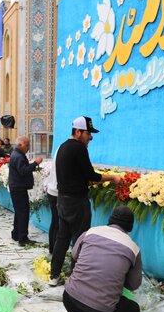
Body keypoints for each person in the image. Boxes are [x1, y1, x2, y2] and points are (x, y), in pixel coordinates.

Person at [49, 116, 121, 286]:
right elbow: (91, 176)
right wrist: (113, 177)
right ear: (78, 132)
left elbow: (75, 173)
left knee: (62, 239)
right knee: (79, 240)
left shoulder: (62, 147)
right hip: (76, 202)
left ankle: (54, 276)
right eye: (88, 133)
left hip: (62, 201)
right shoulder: (79, 149)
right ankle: (77, 279)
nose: (90, 137)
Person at [63, 206, 142, 312]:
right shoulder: (133, 249)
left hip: (69, 301)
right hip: (100, 311)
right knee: (133, 310)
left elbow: (74, 256)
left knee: (92, 298)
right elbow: (133, 285)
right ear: (130, 227)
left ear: (110, 220)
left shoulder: (90, 232)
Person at [8, 136, 43, 246]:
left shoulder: (17, 154)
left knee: (19, 212)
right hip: (18, 188)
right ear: (19, 145)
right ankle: (23, 238)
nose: (28, 147)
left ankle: (16, 234)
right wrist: (35, 163)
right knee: (23, 213)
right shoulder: (18, 156)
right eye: (26, 145)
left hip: (17, 187)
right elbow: (23, 171)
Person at [45, 147, 59, 255]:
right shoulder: (67, 150)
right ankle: (54, 250)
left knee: (55, 222)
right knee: (57, 223)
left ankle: (52, 249)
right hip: (56, 191)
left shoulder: (60, 148)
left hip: (52, 190)